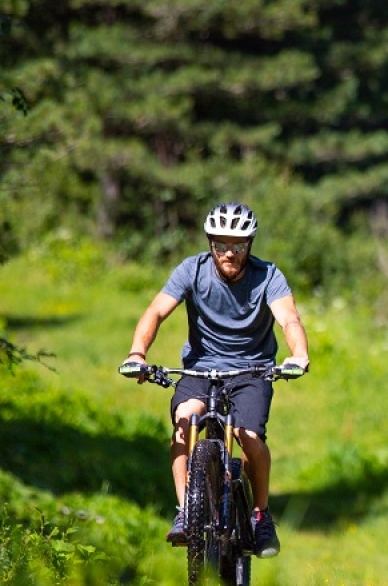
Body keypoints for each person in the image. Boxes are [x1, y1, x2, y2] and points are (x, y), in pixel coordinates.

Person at [123, 202, 309, 558]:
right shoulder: (191, 271)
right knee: (183, 422)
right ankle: (185, 512)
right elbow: (157, 311)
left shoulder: (268, 276)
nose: (230, 253)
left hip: (252, 371)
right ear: (210, 244)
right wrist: (137, 353)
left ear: (249, 246)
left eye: (238, 246)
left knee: (249, 437)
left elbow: (289, 319)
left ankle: (261, 515)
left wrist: (298, 354)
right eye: (222, 245)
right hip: (200, 368)